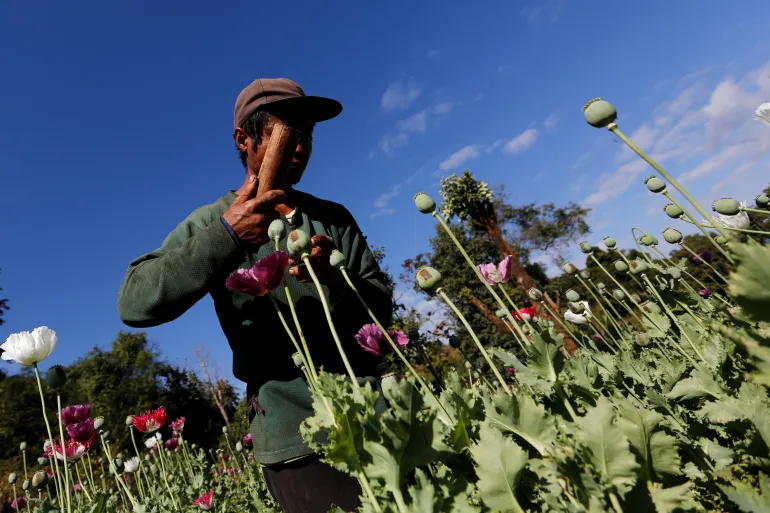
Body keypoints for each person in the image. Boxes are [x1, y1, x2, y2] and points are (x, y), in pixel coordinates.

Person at [117, 78, 393, 513]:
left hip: (375, 418)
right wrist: (227, 238)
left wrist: (333, 282)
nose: (300, 147)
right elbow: (134, 302)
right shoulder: (214, 221)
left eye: (308, 134)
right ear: (244, 140)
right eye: (286, 132)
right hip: (297, 443)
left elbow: (381, 312)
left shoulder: (332, 219)